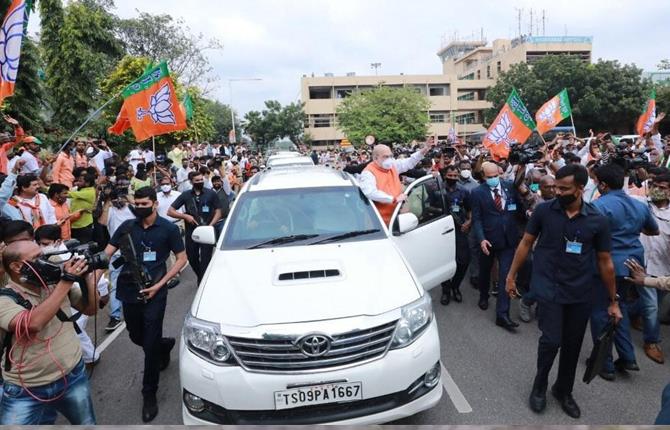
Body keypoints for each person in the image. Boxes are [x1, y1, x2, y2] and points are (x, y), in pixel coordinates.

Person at [505, 164, 622, 419]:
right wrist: (511, 275)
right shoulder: (544, 211)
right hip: (548, 289)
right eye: (556, 187)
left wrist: (613, 301)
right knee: (550, 341)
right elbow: (526, 243)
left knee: (572, 345)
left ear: (581, 189)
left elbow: (605, 262)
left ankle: (563, 390)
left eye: (564, 188)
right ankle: (540, 385)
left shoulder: (597, 220)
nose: (557, 192)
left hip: (580, 293)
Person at [103, 186, 187, 422]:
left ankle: (148, 392)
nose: (139, 208)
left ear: (154, 203)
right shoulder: (127, 228)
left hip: (155, 293)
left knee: (148, 345)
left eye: (143, 204)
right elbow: (107, 253)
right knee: (136, 336)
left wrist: (160, 284)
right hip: (128, 291)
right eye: (136, 204)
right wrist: (94, 267)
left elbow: (181, 258)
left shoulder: (168, 228)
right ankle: (164, 345)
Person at [0, 240, 99, 424]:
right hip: (26, 388)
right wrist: (67, 280)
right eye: (37, 258)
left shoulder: (54, 285)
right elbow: (33, 324)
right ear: (16, 266)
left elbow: (91, 309)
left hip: (72, 376)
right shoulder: (5, 299)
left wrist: (87, 277)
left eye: (43, 255)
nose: (45, 261)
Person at [590, 163, 659, 380]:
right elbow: (652, 229)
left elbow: (589, 235)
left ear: (602, 184)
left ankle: (605, 364)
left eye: (596, 181)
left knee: (602, 312)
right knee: (620, 308)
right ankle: (628, 357)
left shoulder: (599, 206)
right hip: (633, 265)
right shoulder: (639, 205)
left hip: (608, 266)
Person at [35, 224, 108, 369]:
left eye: (45, 244)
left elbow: (95, 278)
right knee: (74, 333)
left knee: (74, 332)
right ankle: (90, 357)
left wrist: (102, 295)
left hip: (78, 302)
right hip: (60, 304)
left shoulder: (72, 256)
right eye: (39, 244)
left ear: (57, 241)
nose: (41, 247)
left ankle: (89, 359)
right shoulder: (42, 258)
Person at [470, 161, 524, 330]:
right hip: (488, 240)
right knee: (485, 271)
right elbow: (477, 219)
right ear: (483, 177)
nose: (494, 179)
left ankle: (502, 315)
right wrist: (481, 239)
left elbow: (519, 210)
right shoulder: (477, 192)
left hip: (508, 240)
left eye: (496, 176)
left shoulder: (509, 187)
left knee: (506, 276)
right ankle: (484, 295)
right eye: (490, 177)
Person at [629, 173, 670, 364]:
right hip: (640, 264)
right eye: (655, 185)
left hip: (664, 268)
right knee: (652, 304)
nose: (657, 190)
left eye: (663, 187)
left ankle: (630, 314)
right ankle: (651, 342)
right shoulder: (639, 203)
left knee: (653, 301)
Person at [359, 142, 435, 226]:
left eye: (391, 156)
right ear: (375, 158)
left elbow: (409, 162)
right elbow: (371, 192)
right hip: (380, 223)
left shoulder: (392, 166)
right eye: (386, 157)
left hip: (397, 217)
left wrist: (423, 151)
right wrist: (394, 199)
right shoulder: (368, 173)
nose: (389, 159)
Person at [167, 172, 222, 285]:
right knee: (192, 258)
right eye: (197, 180)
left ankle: (203, 283)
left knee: (206, 259)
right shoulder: (185, 195)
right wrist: (184, 216)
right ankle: (201, 276)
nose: (200, 182)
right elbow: (170, 211)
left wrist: (211, 225)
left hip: (207, 231)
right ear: (191, 181)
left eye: (201, 179)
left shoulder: (210, 193)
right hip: (191, 232)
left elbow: (218, 211)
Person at [439, 165, 470, 305]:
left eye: (455, 176)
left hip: (460, 229)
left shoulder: (463, 191)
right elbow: (429, 208)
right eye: (450, 176)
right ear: (445, 175)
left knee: (463, 261)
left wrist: (469, 222)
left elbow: (470, 209)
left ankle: (455, 286)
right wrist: (443, 209)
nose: (452, 178)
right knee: (444, 261)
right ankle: (446, 290)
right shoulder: (437, 190)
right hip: (442, 230)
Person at [104, 188, 134, 332]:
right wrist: (107, 202)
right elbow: (102, 223)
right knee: (115, 284)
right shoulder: (109, 210)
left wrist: (130, 200)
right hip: (117, 254)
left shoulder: (133, 208)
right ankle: (115, 316)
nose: (118, 201)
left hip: (135, 252)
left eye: (121, 197)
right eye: (115, 198)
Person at [69, 173, 97, 244]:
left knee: (82, 249)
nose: (77, 183)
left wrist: (48, 189)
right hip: (74, 224)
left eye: (80, 181)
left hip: (84, 226)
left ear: (87, 183)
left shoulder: (89, 192)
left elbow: (68, 194)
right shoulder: (79, 190)